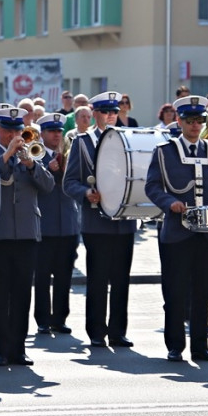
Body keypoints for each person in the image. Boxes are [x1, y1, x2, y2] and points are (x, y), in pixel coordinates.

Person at [144, 95, 208, 362]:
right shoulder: (165, 151)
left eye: (199, 120)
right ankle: (175, 346)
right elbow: (152, 186)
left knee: (203, 292)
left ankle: (200, 346)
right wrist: (169, 202)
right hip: (177, 231)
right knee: (175, 291)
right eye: (190, 120)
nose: (196, 125)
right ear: (180, 121)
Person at [63, 91, 138, 348]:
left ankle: (118, 332)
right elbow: (69, 183)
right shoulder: (81, 142)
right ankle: (96, 332)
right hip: (96, 222)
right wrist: (85, 193)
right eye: (106, 111)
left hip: (124, 221)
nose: (111, 116)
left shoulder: (128, 140)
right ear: (94, 113)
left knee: (121, 280)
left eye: (115, 111)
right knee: (97, 279)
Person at [0, 106, 53, 366]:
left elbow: (48, 185)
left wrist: (30, 164)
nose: (15, 135)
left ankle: (18, 348)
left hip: (27, 232)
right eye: (9, 130)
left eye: (18, 130)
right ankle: (0, 350)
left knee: (22, 294)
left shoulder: (31, 153)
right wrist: (8, 155)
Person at [34, 112, 79, 336]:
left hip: (68, 224)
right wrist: (46, 168)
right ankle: (42, 319)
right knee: (42, 276)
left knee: (64, 276)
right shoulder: (36, 157)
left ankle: (60, 319)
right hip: (44, 225)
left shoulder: (69, 155)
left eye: (59, 132)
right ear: (42, 134)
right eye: (51, 131)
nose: (56, 135)